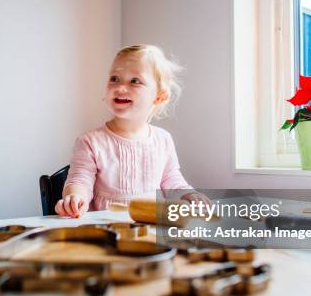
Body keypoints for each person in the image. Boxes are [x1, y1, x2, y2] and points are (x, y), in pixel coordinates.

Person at [55, 44, 207, 218]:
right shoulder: (90, 142)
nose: (120, 88)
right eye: (114, 78)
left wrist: (188, 194)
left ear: (159, 96)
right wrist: (75, 197)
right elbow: (80, 180)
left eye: (135, 81)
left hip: (152, 229)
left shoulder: (163, 140)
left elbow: (172, 179)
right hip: (108, 229)